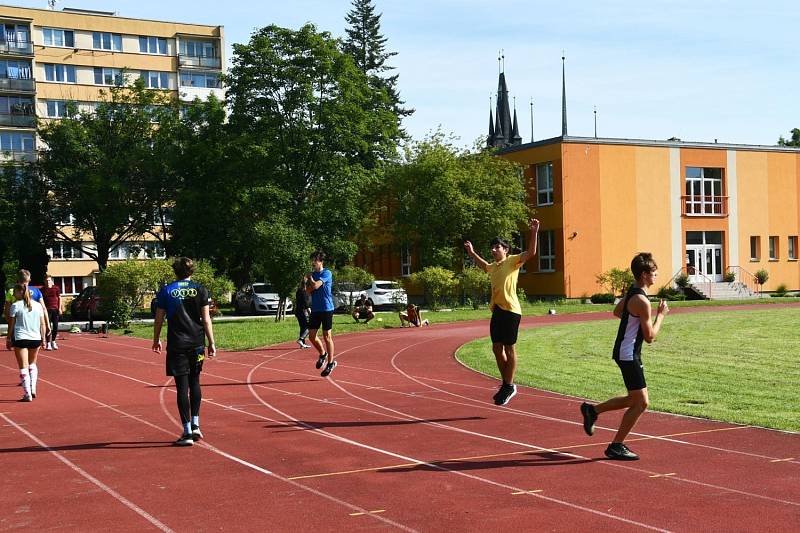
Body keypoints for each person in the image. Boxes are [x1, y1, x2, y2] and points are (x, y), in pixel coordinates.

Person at [579, 252, 669, 461]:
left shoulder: (633, 293)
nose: (656, 275)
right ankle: (616, 445)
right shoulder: (642, 301)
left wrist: (633, 319)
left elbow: (618, 312)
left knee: (634, 399)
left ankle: (593, 411)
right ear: (645, 274)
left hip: (625, 351)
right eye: (654, 272)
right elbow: (650, 337)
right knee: (641, 403)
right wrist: (661, 315)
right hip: (628, 354)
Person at [463, 218, 540, 406]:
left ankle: (508, 385)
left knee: (509, 348)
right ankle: (507, 384)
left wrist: (534, 232)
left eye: (498, 247)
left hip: (512, 311)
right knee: (496, 348)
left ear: (505, 250)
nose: (494, 250)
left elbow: (531, 253)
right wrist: (472, 253)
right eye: (493, 247)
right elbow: (484, 266)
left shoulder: (512, 261)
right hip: (497, 311)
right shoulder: (494, 267)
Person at [152, 257, 216, 446]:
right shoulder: (200, 289)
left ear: (175, 271)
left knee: (182, 386)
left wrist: (156, 339)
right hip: (197, 342)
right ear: (192, 271)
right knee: (195, 381)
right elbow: (206, 319)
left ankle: (187, 431)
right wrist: (211, 342)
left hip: (177, 344)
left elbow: (159, 319)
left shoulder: (166, 291)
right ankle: (196, 424)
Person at [7, 284, 47, 401]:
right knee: (32, 364)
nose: (13, 294)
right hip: (35, 338)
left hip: (21, 338)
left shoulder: (15, 306)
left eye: (15, 292)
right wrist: (43, 339)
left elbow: (11, 325)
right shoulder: (38, 306)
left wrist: (9, 339)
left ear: (20, 292)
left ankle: (27, 394)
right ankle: (33, 388)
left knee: (23, 367)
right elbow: (42, 323)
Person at [305, 250, 336, 377]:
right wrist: (308, 282)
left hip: (327, 308)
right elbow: (308, 291)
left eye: (315, 261)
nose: (313, 263)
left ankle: (331, 363)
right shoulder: (312, 274)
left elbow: (316, 286)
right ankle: (323, 353)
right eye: (312, 260)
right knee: (311, 336)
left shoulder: (327, 273)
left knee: (327, 336)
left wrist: (311, 279)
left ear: (321, 262)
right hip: (316, 309)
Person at [40, 275, 62, 350]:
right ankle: (48, 343)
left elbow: (59, 298)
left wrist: (60, 308)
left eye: (49, 280)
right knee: (47, 327)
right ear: (44, 281)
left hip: (55, 309)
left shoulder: (56, 288)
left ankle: (53, 341)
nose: (48, 282)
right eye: (46, 280)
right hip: (46, 310)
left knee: (55, 326)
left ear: (51, 280)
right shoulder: (42, 290)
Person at [294, 280, 311, 349]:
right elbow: (306, 303)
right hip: (303, 311)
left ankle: (302, 343)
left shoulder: (298, 291)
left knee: (303, 327)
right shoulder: (304, 292)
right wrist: (310, 312)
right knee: (310, 326)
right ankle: (301, 339)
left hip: (298, 311)